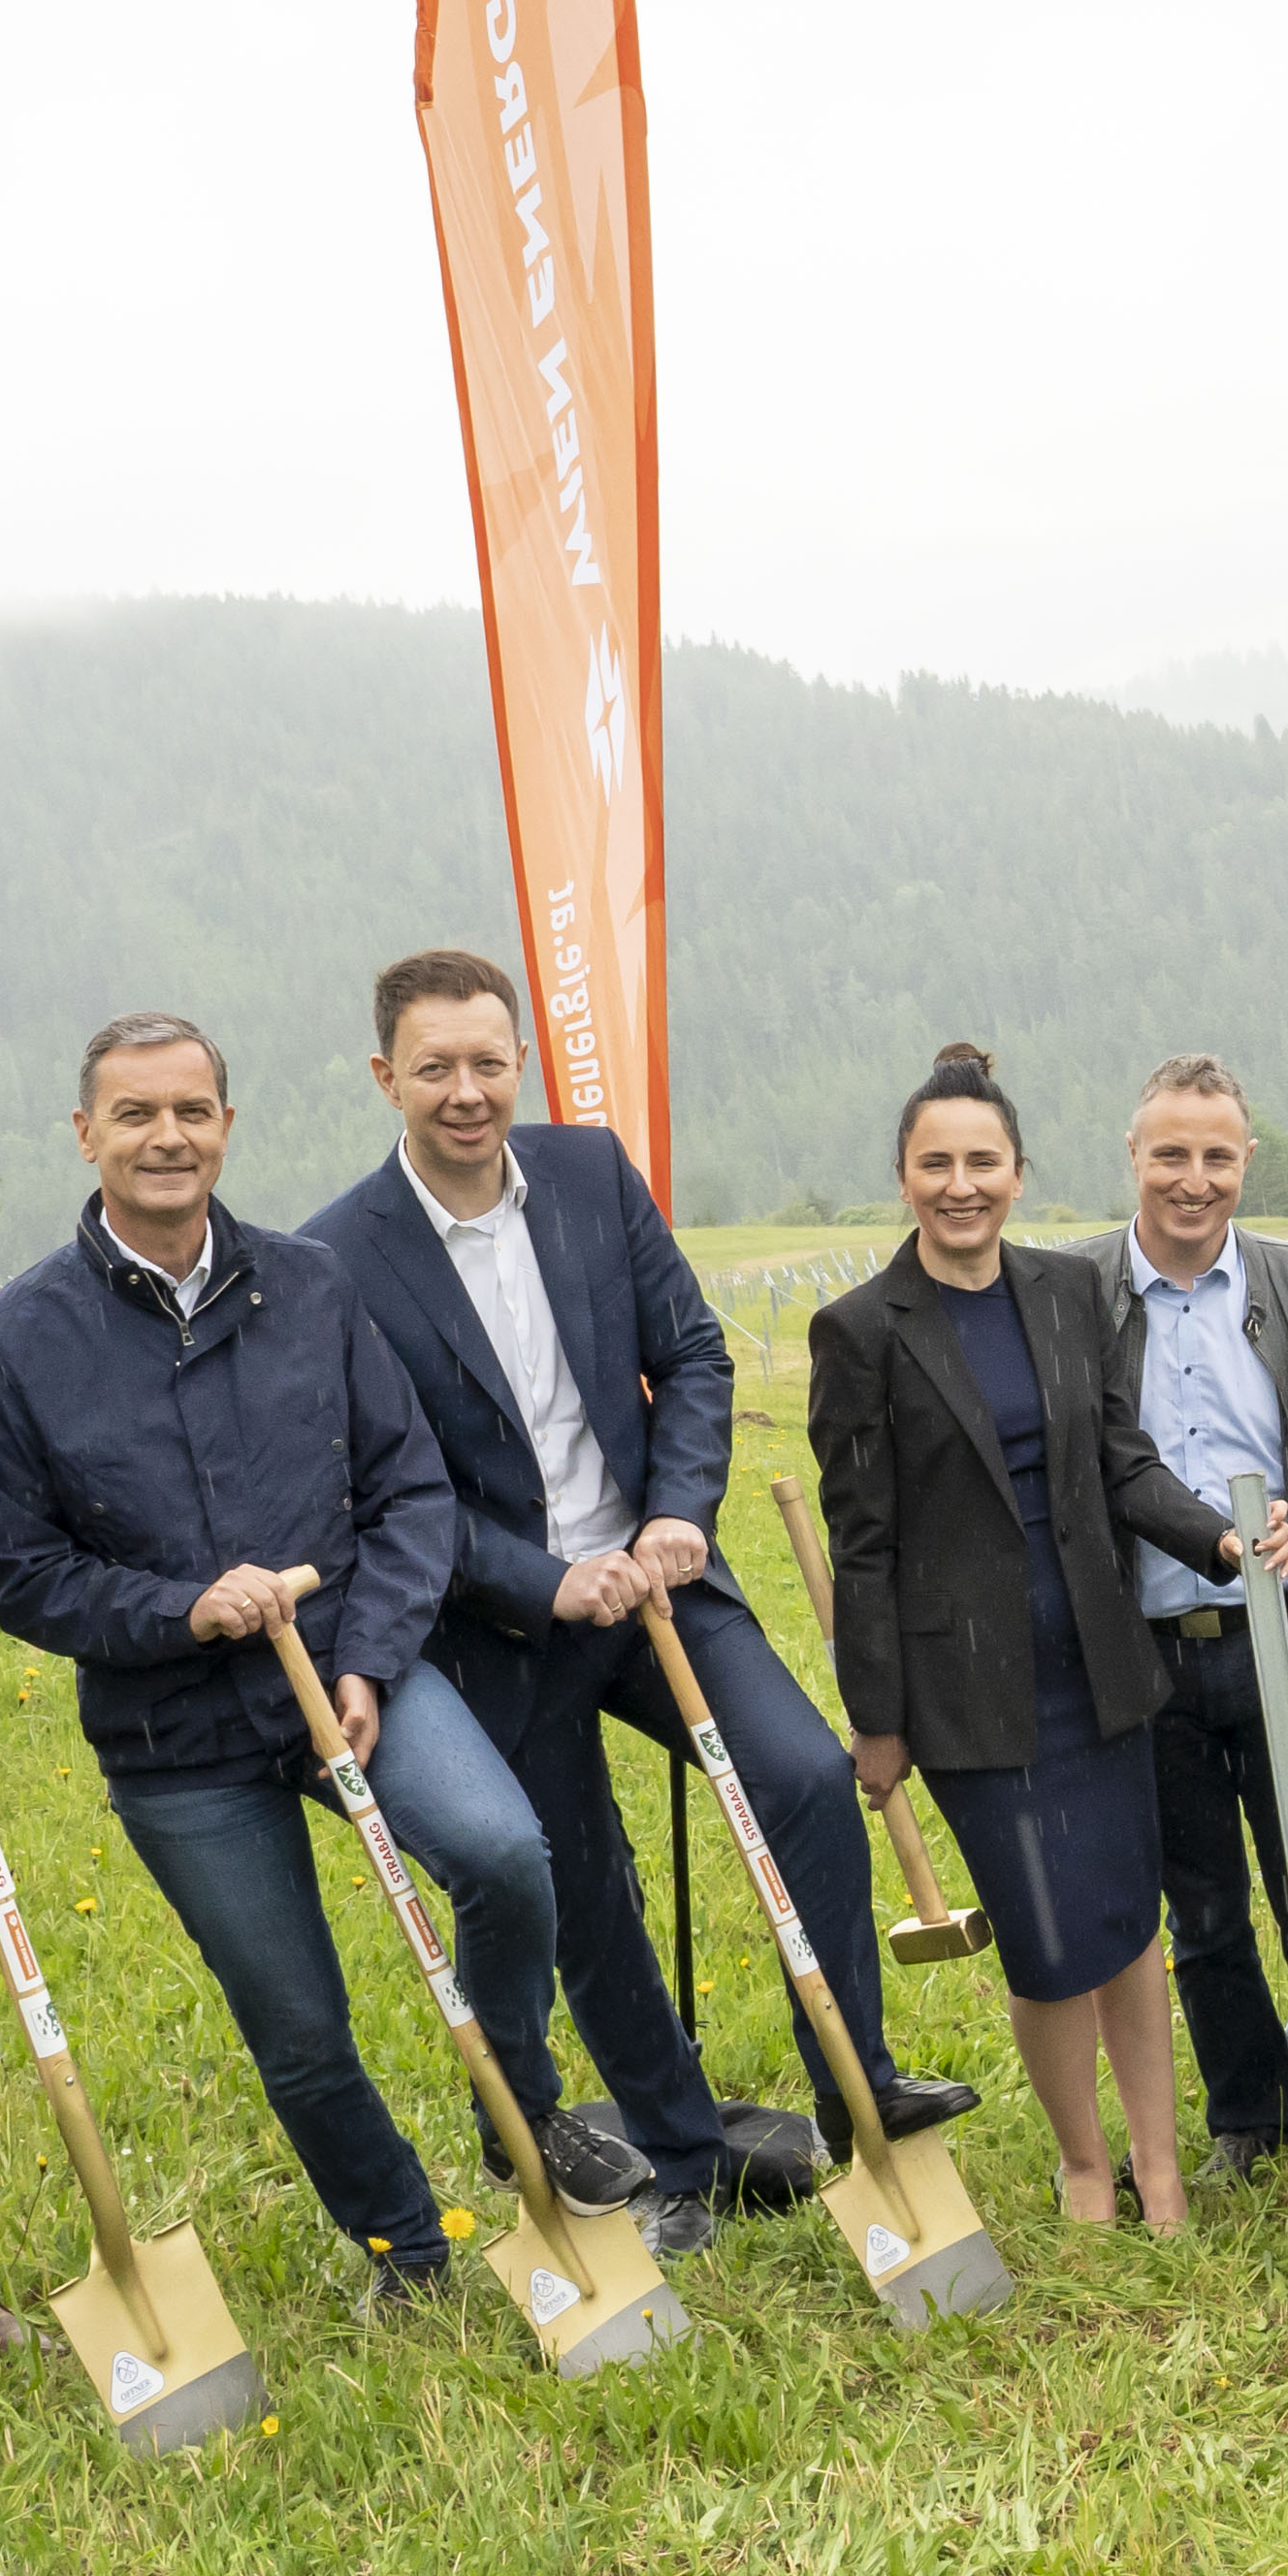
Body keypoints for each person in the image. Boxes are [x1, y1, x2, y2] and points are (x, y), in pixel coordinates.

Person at [303, 949, 974, 2255]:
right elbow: (398, 1488)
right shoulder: (340, 1256)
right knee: (585, 1889)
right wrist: (548, 1580)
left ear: (521, 1065)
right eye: (434, 1067)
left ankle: (854, 2089)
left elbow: (695, 1355)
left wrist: (675, 1514)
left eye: (488, 1062)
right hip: (506, 1623)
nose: (465, 1091)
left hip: (666, 1581)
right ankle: (677, 2155)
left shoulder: (593, 1173)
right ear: (386, 1075)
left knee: (800, 1777)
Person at [0, 1014, 615, 2302]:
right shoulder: (18, 1339)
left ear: (226, 1124)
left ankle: (520, 2113)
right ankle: (406, 2251)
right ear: (85, 1133)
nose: (167, 1137)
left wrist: (371, 1659)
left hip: (355, 1676)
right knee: (301, 2029)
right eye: (135, 1114)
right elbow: (16, 1571)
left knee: (504, 1856)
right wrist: (181, 1611)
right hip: (179, 1741)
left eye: (192, 1110)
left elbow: (412, 1494)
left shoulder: (311, 1286)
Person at [809, 1046, 1282, 2232]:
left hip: (1101, 1665)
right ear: (904, 1177)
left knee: (1129, 1923)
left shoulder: (1067, 1294)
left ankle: (1160, 2163)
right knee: (1045, 1939)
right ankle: (1084, 2161)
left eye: (981, 1161)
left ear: (1018, 1173)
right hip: (970, 1696)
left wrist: (1216, 1541)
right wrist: (877, 1719)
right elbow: (859, 1543)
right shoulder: (859, 1328)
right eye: (935, 1164)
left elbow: (1119, 1456)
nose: (959, 1184)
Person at [1060, 1053, 1288, 2183]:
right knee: (1202, 1910)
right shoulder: (1076, 1294)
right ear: (1133, 1155)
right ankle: (1244, 2121)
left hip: (1287, 1655)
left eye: (1216, 1155)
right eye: (1171, 1153)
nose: (1192, 1178)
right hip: (1149, 1660)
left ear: (1245, 1160)